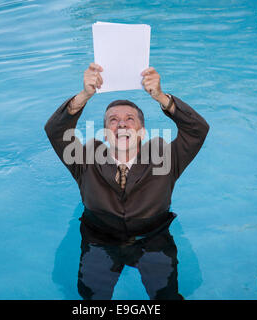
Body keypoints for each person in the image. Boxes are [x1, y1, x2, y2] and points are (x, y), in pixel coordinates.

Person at [44, 63, 210, 299]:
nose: (121, 124)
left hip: (153, 239)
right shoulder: (84, 160)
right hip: (99, 241)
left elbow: (197, 130)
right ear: (104, 134)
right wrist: (84, 95)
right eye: (113, 120)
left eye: (130, 119)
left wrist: (162, 98)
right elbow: (54, 130)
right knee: (92, 299)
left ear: (142, 132)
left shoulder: (166, 158)